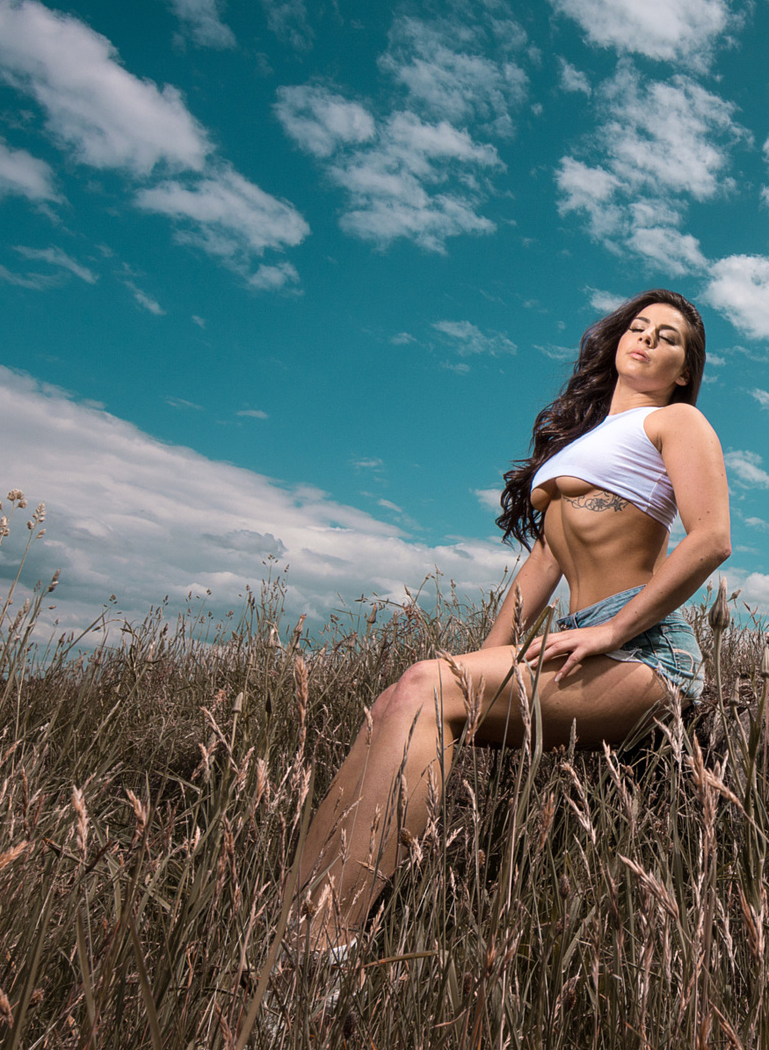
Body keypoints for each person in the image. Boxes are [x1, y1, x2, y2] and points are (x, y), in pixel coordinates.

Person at [288, 289, 731, 956]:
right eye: (637, 327)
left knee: (424, 688)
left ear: (684, 373)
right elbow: (546, 562)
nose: (645, 339)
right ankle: (284, 939)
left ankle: (324, 955)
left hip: (641, 646)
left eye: (667, 338)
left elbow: (711, 539)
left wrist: (612, 631)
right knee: (397, 701)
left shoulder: (676, 425)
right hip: (580, 633)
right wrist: (478, 662)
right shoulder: (582, 445)